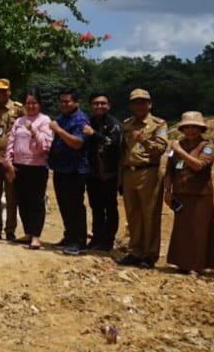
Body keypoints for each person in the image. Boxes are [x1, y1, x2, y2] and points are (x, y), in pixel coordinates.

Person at [163, 111, 214, 275]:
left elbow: (199, 166)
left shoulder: (208, 147)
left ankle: (198, 265)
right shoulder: (177, 146)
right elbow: (169, 171)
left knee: (199, 231)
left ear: (201, 129)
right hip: (181, 194)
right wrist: (167, 191)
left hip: (200, 195)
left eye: (194, 127)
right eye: (187, 127)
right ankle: (182, 263)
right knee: (182, 230)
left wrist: (180, 151)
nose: (190, 130)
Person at [115, 89, 169, 269]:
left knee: (150, 214)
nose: (139, 106)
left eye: (143, 102)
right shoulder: (127, 124)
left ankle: (150, 254)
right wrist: (120, 178)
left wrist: (145, 140)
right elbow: (123, 152)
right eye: (135, 102)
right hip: (129, 172)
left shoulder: (158, 124)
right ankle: (135, 251)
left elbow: (161, 149)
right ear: (131, 106)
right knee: (133, 214)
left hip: (149, 173)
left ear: (150, 104)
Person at [4, 90, 53, 250]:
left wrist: (33, 131)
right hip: (19, 167)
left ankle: (36, 236)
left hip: (36, 167)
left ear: (39, 104)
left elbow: (45, 145)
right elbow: (11, 141)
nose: (31, 106)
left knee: (36, 202)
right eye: (28, 103)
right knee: (22, 201)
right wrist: (8, 162)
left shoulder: (44, 121)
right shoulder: (19, 121)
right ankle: (28, 232)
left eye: (34, 103)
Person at [48, 88, 91, 255]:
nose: (64, 104)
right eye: (62, 101)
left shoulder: (80, 120)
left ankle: (79, 241)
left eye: (68, 101)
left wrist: (58, 130)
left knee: (75, 206)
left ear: (76, 102)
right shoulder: (62, 118)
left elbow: (78, 143)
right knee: (64, 205)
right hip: (61, 168)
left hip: (75, 170)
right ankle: (69, 236)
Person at [0, 78, 24, 241]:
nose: (1, 93)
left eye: (4, 90)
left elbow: (27, 128)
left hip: (11, 160)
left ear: (9, 91)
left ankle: (10, 230)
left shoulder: (18, 109)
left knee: (11, 196)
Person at [83, 93, 123, 252]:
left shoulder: (114, 124)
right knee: (96, 207)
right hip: (93, 174)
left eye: (102, 103)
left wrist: (94, 134)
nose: (99, 106)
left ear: (109, 105)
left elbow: (112, 143)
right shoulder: (90, 122)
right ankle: (97, 237)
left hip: (110, 174)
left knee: (110, 208)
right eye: (95, 103)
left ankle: (109, 240)